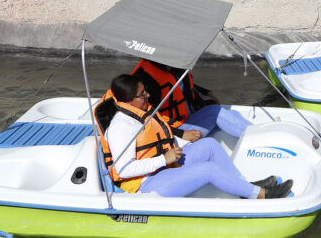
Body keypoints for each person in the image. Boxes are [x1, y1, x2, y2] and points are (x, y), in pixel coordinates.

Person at [96, 74, 292, 199]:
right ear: (129, 101)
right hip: (146, 184)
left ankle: (245, 188)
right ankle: (262, 195)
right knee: (209, 170)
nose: (147, 95)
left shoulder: (141, 112)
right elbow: (123, 170)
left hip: (165, 167)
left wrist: (168, 155)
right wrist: (163, 159)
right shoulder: (121, 127)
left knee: (209, 145)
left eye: (145, 91)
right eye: (142, 94)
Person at [131, 59, 253, 142]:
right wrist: (181, 134)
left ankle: (261, 135)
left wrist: (206, 92)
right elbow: (146, 120)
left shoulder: (174, 67)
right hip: (174, 135)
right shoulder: (146, 82)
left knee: (233, 115)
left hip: (187, 121)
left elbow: (184, 84)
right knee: (216, 112)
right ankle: (261, 138)